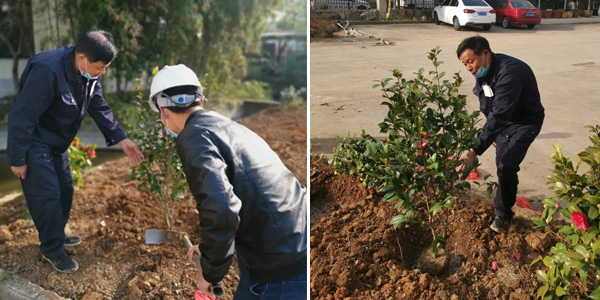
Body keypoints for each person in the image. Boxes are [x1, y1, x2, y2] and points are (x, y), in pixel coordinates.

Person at [147, 64, 307, 299]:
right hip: (291, 239)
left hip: (282, 269)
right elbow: (239, 193)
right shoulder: (223, 125)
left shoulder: (193, 137)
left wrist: (210, 273)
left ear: (163, 112)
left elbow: (222, 208)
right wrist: (211, 251)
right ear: (200, 102)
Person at [6, 29, 144, 273]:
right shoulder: (47, 71)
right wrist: (17, 158)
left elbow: (98, 105)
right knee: (47, 195)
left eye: (105, 68)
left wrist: (122, 139)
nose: (102, 72)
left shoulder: (89, 72)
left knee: (65, 189)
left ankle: (56, 234)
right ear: (82, 58)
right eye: (100, 67)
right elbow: (22, 116)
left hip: (58, 143)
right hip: (36, 142)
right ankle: (52, 249)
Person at [457, 36, 544, 234]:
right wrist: (493, 135)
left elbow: (499, 114)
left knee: (507, 165)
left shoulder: (510, 72)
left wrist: (475, 148)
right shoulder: (482, 74)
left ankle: (503, 216)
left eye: (471, 61)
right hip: (504, 123)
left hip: (525, 122)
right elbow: (488, 108)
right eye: (464, 64)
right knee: (502, 165)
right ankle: (504, 204)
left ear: (485, 53)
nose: (469, 68)